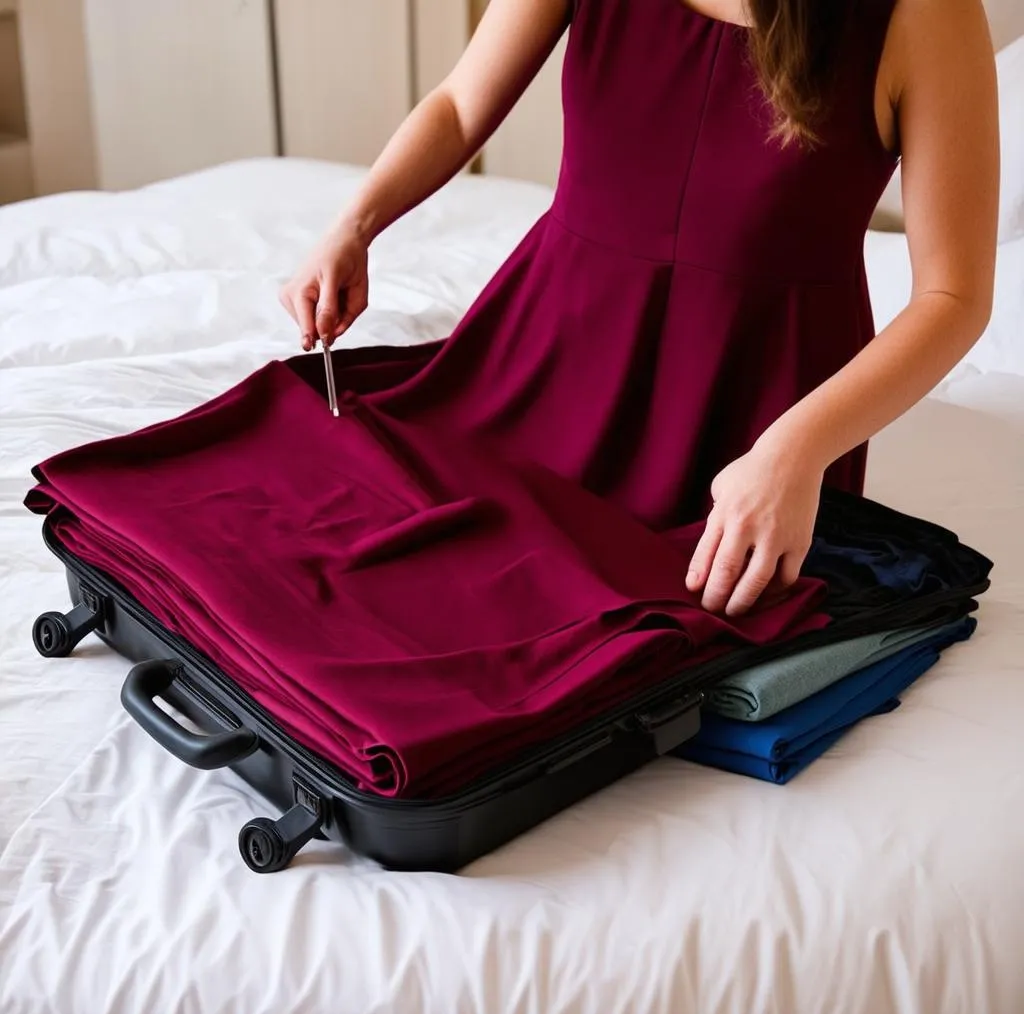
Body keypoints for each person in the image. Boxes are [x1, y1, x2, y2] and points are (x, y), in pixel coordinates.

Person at [279, 0, 998, 619]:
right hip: (545, 360)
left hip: (754, 415)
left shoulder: (923, 13)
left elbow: (954, 296)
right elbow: (461, 103)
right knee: (327, 543)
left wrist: (793, 454)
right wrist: (357, 224)